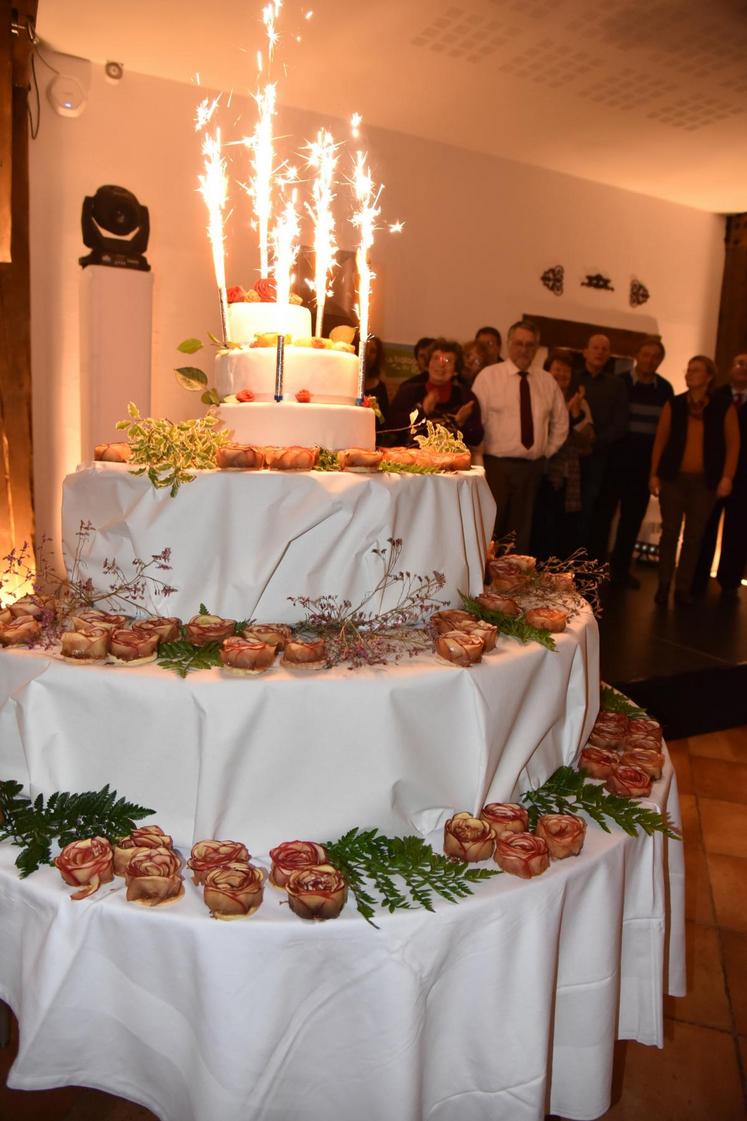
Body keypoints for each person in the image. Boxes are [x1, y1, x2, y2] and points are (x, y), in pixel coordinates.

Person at [649, 355, 740, 606]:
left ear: (709, 376)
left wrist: (727, 477)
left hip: (704, 481)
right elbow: (661, 440)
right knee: (669, 533)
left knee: (694, 537)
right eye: (688, 369)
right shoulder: (675, 404)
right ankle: (663, 584)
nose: (689, 374)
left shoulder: (723, 406)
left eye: (696, 370)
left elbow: (733, 445)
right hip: (673, 479)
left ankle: (683, 587)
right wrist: (654, 474)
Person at [472, 320, 568, 552]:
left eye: (530, 345)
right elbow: (475, 423)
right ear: (509, 343)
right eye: (519, 343)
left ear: (537, 348)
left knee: (520, 536)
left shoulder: (547, 381)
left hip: (531, 470)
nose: (524, 350)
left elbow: (561, 423)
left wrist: (544, 452)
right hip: (495, 467)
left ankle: (513, 576)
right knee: (489, 530)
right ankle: (482, 574)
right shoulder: (489, 376)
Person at [597, 337, 674, 588]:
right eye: (646, 354)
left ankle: (620, 571)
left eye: (655, 356)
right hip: (614, 463)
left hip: (643, 466)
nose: (650, 360)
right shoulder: (618, 382)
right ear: (637, 356)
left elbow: (666, 432)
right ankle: (595, 569)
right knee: (603, 517)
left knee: (631, 521)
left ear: (660, 360)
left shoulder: (665, 389)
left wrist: (657, 470)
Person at [692, 352, 747, 599]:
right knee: (705, 525)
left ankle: (730, 581)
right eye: (739, 363)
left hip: (745, 477)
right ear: (730, 368)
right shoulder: (714, 396)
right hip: (714, 472)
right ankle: (697, 580)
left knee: (739, 529)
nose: (743, 368)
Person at [531, 350, 594, 559]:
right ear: (547, 372)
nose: (562, 375)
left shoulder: (580, 401)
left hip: (569, 474)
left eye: (566, 371)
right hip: (541, 470)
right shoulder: (538, 396)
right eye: (557, 370)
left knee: (563, 529)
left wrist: (575, 415)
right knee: (539, 525)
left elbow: (588, 442)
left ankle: (556, 572)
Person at [572, 333, 629, 558]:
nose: (599, 352)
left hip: (601, 460)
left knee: (595, 514)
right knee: (568, 513)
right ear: (585, 352)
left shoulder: (617, 384)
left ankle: (587, 564)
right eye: (595, 347)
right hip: (571, 457)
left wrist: (595, 442)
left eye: (604, 349)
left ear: (609, 355)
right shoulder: (573, 378)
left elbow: (620, 423)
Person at [388, 338, 483, 449]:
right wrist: (423, 411)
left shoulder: (466, 397)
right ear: (427, 365)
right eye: (436, 358)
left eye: (448, 361)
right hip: (411, 455)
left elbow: (476, 439)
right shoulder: (408, 391)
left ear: (456, 370)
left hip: (450, 457)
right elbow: (391, 426)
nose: (441, 364)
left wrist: (462, 423)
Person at [363, 335, 390, 436]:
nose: (368, 354)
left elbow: (383, 421)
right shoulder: (349, 382)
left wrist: (376, 411)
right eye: (365, 348)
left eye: (373, 351)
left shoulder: (380, 387)